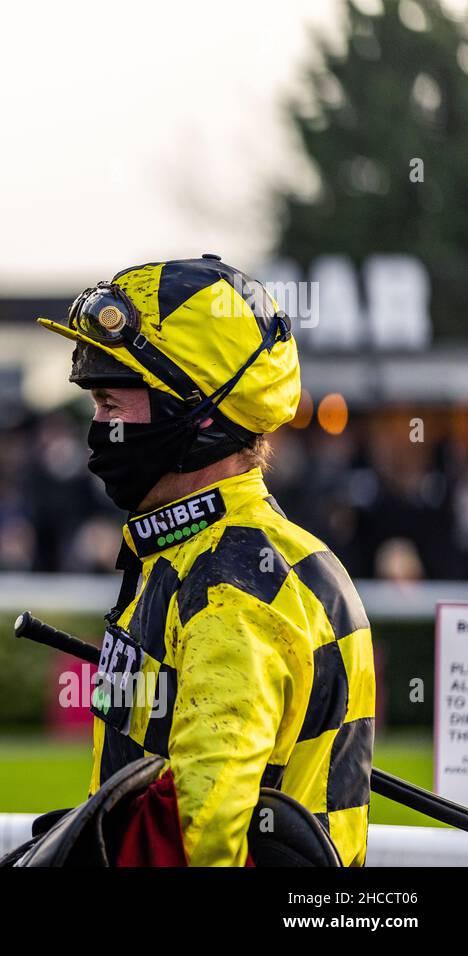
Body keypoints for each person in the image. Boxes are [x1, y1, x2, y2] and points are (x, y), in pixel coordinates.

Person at [36, 254, 375, 866]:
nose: (98, 428)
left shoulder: (233, 589)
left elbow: (198, 842)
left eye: (113, 405)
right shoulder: (189, 552)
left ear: (201, 414)